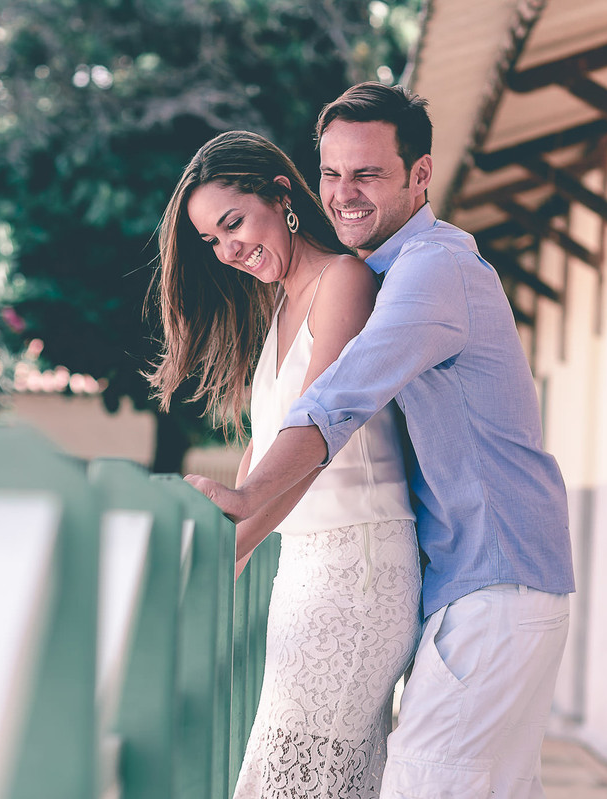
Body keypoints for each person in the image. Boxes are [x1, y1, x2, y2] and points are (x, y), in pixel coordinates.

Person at [185, 83, 576, 798]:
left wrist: (244, 503)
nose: (344, 194)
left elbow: (339, 399)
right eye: (332, 173)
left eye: (367, 173)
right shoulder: (387, 271)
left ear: (419, 175)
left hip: (496, 577)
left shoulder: (431, 267)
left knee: (423, 785)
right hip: (480, 578)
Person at [148, 130, 423, 797]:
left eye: (233, 223)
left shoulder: (344, 282)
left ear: (280, 194)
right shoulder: (281, 307)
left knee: (291, 778)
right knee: (325, 779)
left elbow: (313, 446)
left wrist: (231, 541)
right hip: (304, 567)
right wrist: (219, 561)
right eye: (212, 240)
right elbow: (266, 448)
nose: (228, 249)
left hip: (357, 568)